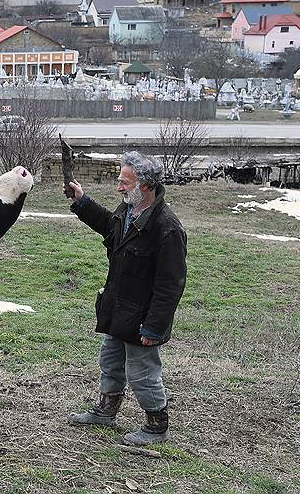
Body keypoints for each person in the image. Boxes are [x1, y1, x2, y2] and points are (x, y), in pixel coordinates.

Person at [66, 151, 187, 446]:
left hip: (143, 318)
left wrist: (154, 327)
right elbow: (109, 225)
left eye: (124, 182)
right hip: (118, 309)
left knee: (142, 372)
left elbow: (171, 285)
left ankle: (157, 427)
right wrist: (82, 202)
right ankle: (106, 412)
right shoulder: (128, 209)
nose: (119, 187)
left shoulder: (167, 228)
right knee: (110, 361)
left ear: (145, 185)